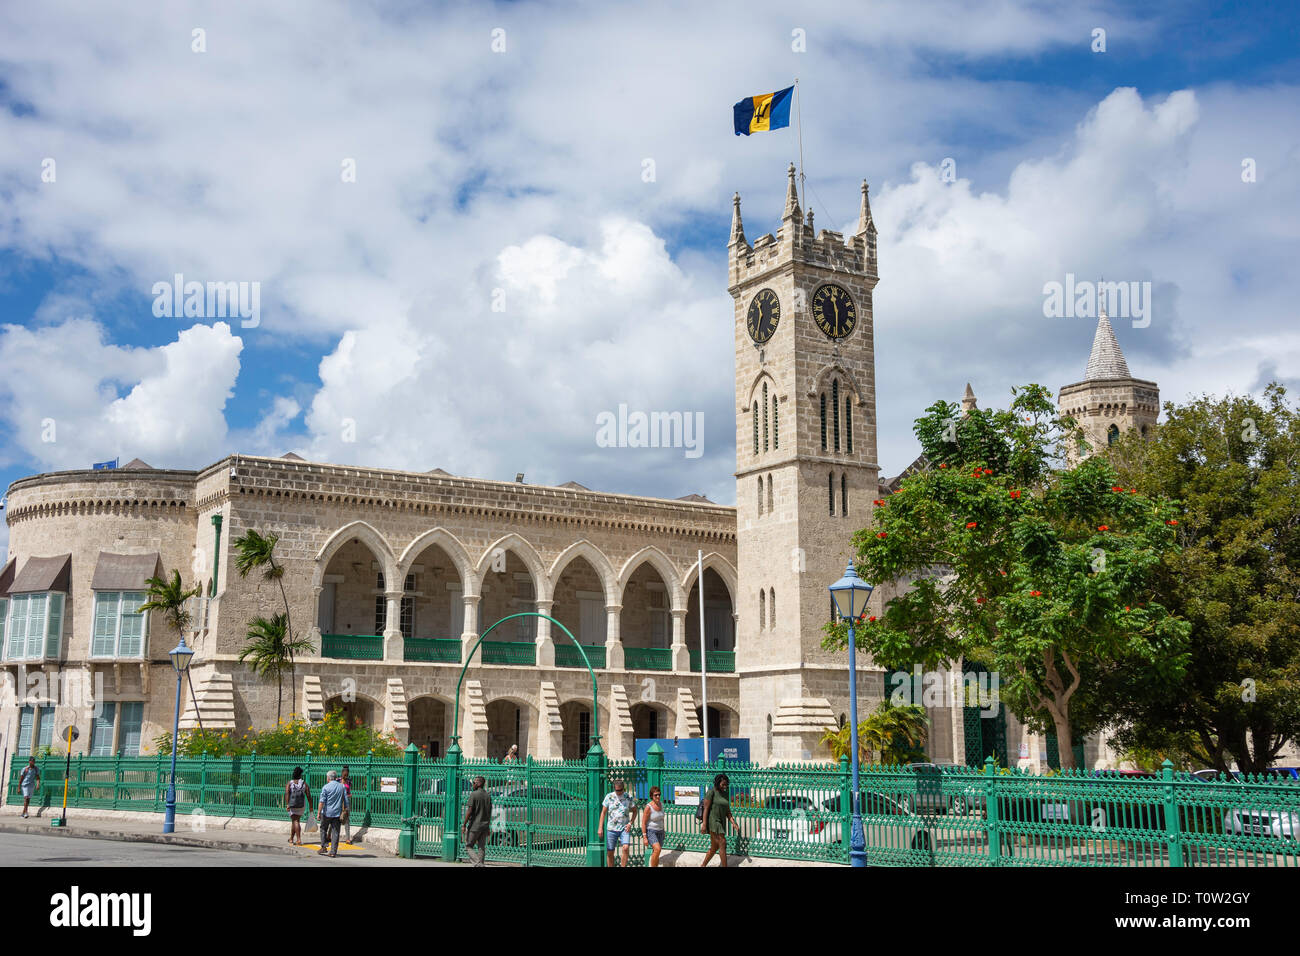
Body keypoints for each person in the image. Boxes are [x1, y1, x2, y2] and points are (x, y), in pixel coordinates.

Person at [699, 773, 742, 867]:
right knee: (722, 843)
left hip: (721, 822)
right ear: (717, 783)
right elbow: (706, 809)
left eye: (726, 784)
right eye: (722, 784)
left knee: (714, 848)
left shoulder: (726, 794)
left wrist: (734, 823)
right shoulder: (711, 792)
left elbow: (728, 811)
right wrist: (704, 824)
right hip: (713, 821)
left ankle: (703, 865)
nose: (724, 786)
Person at [598, 777, 636, 868]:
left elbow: (635, 811)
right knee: (610, 851)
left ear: (624, 788)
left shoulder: (628, 797)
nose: (618, 792)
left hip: (624, 828)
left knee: (626, 848)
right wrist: (600, 827)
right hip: (611, 828)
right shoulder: (609, 796)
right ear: (614, 788)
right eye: (617, 790)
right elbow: (603, 812)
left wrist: (630, 823)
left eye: (620, 790)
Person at [317, 769, 348, 858]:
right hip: (337, 813)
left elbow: (322, 801)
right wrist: (345, 810)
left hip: (326, 813)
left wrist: (319, 813)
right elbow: (346, 801)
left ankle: (324, 846)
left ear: (329, 778)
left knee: (323, 828)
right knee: (335, 832)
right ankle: (333, 852)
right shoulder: (342, 787)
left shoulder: (325, 787)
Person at [462, 776, 492, 866]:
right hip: (484, 826)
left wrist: (464, 824)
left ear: (479, 784)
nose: (472, 785)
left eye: (474, 783)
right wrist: (488, 826)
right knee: (481, 847)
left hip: (475, 825)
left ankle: (478, 863)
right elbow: (489, 812)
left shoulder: (474, 794)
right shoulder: (487, 795)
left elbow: (469, 810)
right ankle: (480, 864)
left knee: (468, 846)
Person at [284, 766, 311, 845]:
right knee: (295, 821)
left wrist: (287, 804)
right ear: (300, 775)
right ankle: (291, 838)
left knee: (295, 821)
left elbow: (287, 793)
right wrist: (311, 806)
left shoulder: (290, 783)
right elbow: (308, 795)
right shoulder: (304, 783)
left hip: (292, 804)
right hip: (301, 805)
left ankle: (298, 839)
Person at [642, 785, 666, 867]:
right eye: (656, 795)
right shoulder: (648, 807)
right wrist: (644, 837)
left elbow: (662, 819)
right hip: (651, 831)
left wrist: (664, 830)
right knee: (657, 849)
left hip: (660, 831)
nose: (658, 796)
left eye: (659, 794)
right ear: (651, 796)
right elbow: (643, 822)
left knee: (657, 852)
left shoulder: (661, 804)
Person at [339, 765, 352, 844]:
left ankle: (348, 838)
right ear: (342, 773)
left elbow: (349, 792)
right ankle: (329, 835)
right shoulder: (338, 780)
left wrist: (349, 795)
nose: (345, 776)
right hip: (338, 802)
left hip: (346, 803)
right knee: (335, 819)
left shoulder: (349, 781)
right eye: (344, 774)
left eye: (347, 774)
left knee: (346, 820)